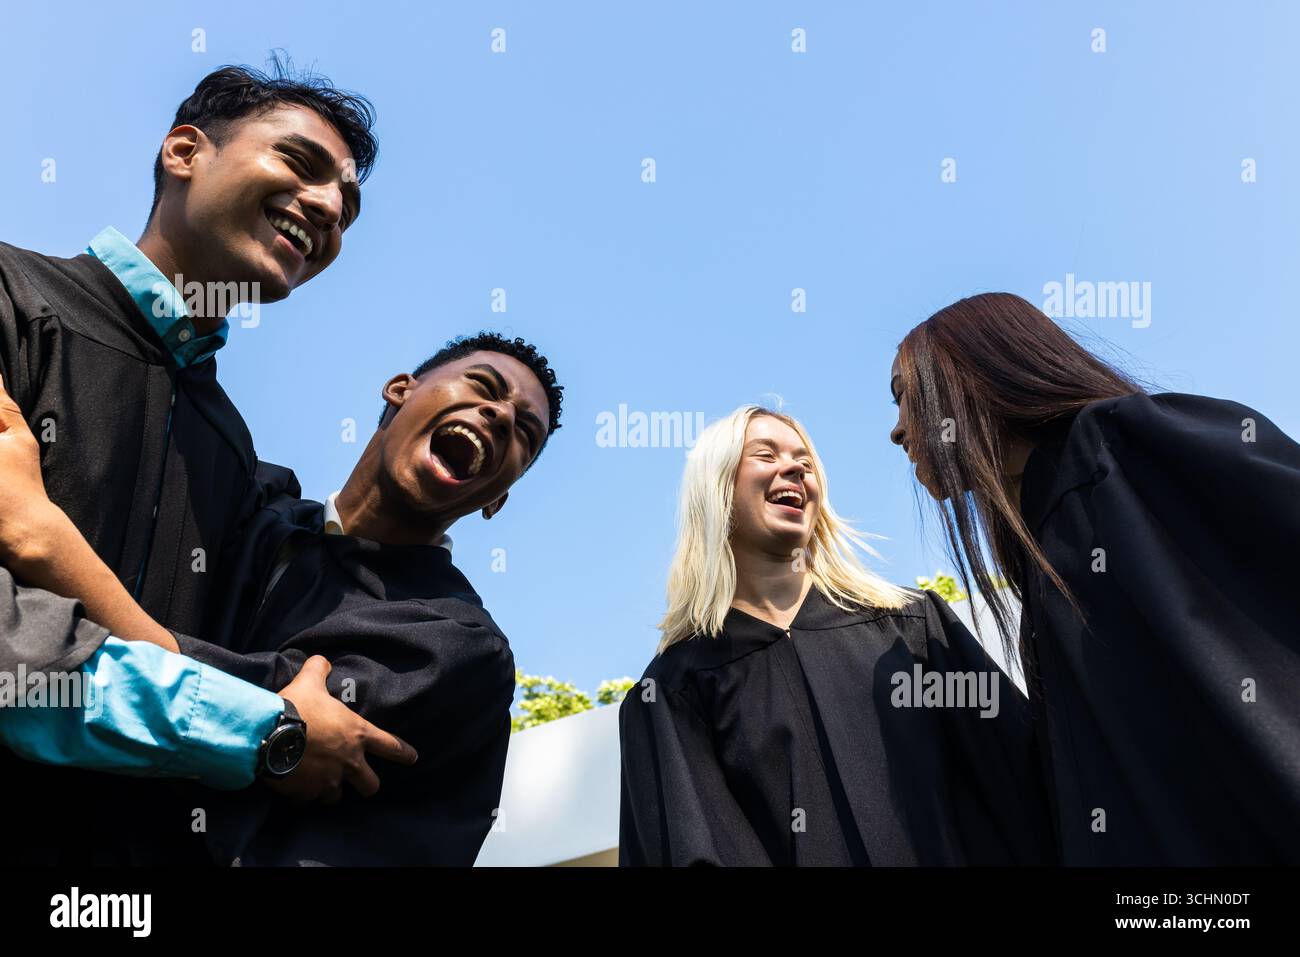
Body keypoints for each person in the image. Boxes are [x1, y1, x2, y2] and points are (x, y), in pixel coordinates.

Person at [0, 59, 413, 866]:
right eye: (301, 164)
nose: (329, 209)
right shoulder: (11, 295)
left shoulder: (233, 454)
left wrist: (42, 535)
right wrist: (253, 726)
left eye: (348, 207)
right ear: (185, 151)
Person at [0, 333, 565, 866]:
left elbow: (225, 701)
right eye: (484, 387)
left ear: (499, 499)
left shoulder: (456, 645)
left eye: (524, 433)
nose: (500, 415)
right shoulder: (247, 507)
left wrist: (41, 539)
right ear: (400, 389)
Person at [888, 291, 1300, 864]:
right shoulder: (1044, 556)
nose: (898, 432)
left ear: (973, 372)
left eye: (903, 397)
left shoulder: (1133, 447)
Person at [618, 405, 1053, 865]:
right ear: (717, 487)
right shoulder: (672, 693)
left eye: (805, 463)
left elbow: (1024, 786)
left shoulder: (912, 629)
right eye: (765, 455)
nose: (793, 468)